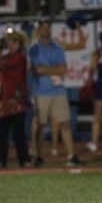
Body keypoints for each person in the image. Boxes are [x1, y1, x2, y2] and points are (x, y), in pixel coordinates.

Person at [28, 21, 82, 167]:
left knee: (64, 123)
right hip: (41, 91)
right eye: (44, 28)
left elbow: (63, 69)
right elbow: (36, 70)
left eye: (48, 28)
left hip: (58, 90)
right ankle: (37, 155)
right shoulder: (33, 49)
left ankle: (71, 155)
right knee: (39, 124)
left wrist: (47, 69)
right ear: (39, 30)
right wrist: (54, 68)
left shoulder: (57, 47)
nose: (46, 31)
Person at [0, 29, 30, 168]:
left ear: (19, 43)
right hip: (3, 99)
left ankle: (24, 160)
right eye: (9, 41)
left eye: (13, 41)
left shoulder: (20, 58)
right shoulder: (6, 56)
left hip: (16, 100)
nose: (10, 43)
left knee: (18, 133)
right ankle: (0, 160)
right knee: (2, 133)